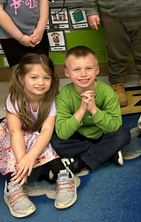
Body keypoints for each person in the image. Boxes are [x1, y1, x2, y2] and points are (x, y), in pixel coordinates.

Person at [0, 54, 75, 218]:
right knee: (16, 143)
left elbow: (46, 131)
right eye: (34, 77)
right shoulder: (14, 99)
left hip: (35, 137)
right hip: (11, 138)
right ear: (21, 79)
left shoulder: (51, 101)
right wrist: (23, 160)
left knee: (40, 140)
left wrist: (32, 156)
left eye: (46, 77)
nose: (41, 83)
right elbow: (14, 133)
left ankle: (63, 174)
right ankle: (13, 184)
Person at [52, 45, 130, 173]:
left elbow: (115, 126)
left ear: (97, 70)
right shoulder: (64, 96)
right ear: (67, 73)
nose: (83, 74)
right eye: (76, 69)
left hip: (102, 134)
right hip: (77, 136)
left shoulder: (107, 92)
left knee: (123, 135)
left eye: (88, 68)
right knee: (55, 141)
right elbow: (63, 133)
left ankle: (80, 162)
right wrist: (82, 110)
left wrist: (94, 110)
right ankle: (107, 152)